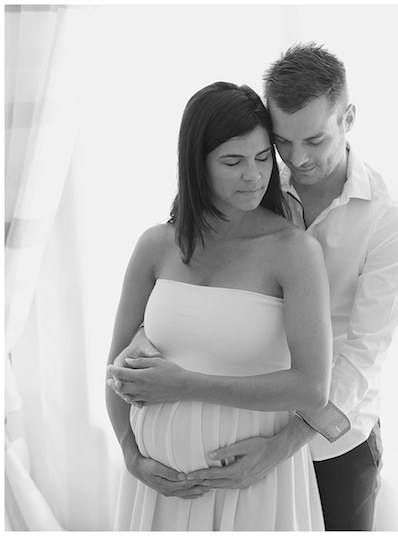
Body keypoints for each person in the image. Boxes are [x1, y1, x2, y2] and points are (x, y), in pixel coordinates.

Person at [111, 43, 398, 531]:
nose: (297, 159)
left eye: (314, 140)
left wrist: (281, 447)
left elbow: (363, 354)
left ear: (348, 117)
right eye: (283, 143)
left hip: (335, 439)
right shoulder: (255, 190)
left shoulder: (386, 220)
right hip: (229, 446)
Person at [105, 81, 332, 531]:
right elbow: (115, 370)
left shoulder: (293, 252)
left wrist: (185, 385)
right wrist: (132, 457)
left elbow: (311, 389)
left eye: (264, 158)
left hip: (254, 487)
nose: (254, 176)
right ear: (197, 164)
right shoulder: (156, 245)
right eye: (233, 161)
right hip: (158, 488)